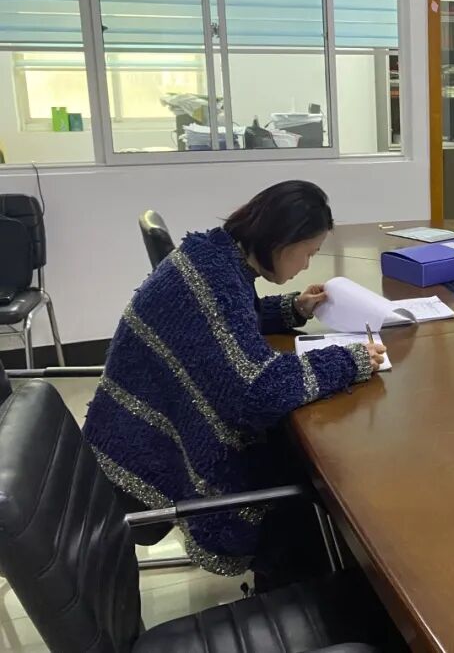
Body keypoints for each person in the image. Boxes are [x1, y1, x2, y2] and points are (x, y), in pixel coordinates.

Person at [83, 180, 386, 587]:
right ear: (283, 240)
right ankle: (293, 592)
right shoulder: (215, 275)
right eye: (309, 253)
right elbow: (258, 392)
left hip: (133, 431)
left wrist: (292, 308)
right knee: (301, 464)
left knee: (293, 446)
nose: (306, 265)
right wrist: (350, 360)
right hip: (146, 453)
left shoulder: (215, 256)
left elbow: (229, 324)